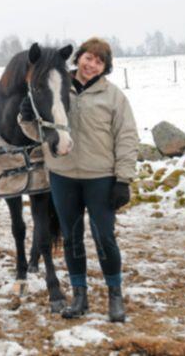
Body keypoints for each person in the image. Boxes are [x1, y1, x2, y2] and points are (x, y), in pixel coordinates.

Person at [18, 37, 138, 322]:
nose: (92, 65)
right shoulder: (58, 86)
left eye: (99, 62)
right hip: (63, 176)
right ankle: (79, 296)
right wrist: (26, 121)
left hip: (101, 178)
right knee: (71, 238)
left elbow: (127, 138)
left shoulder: (114, 97)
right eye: (88, 58)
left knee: (104, 237)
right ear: (78, 58)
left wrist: (123, 179)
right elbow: (46, 133)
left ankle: (114, 296)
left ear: (105, 68)